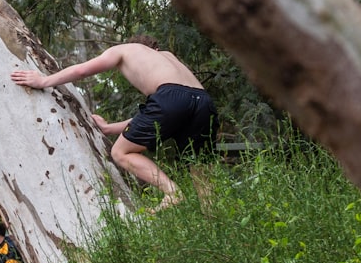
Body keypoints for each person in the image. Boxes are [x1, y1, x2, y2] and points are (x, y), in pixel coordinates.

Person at [11, 34, 220, 211]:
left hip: (170, 100)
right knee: (200, 166)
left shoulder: (124, 50)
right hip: (203, 102)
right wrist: (109, 128)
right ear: (155, 48)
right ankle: (216, 218)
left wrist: (44, 81)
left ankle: (172, 192)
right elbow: (165, 109)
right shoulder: (169, 58)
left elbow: (82, 71)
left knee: (121, 153)